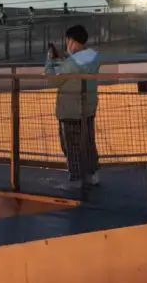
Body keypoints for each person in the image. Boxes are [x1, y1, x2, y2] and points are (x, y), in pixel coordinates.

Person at [45, 24, 101, 189]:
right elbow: (75, 67)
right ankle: (92, 175)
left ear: (72, 41)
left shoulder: (71, 63)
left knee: (72, 146)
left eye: (67, 40)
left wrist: (50, 60)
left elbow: (52, 79)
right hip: (88, 107)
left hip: (70, 110)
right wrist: (65, 59)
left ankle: (76, 179)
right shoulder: (94, 57)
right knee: (88, 143)